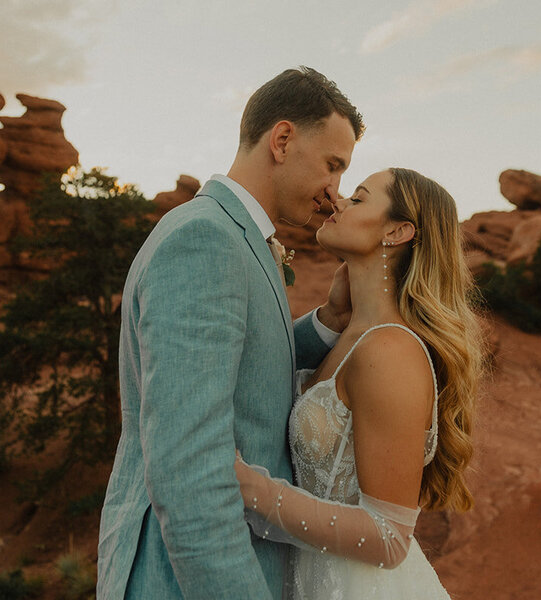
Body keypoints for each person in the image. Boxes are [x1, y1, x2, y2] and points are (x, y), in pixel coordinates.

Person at [96, 67, 364, 600]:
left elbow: (245, 366)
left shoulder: (232, 235)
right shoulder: (206, 240)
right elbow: (191, 472)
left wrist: (329, 321)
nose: (334, 191)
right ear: (282, 140)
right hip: (181, 580)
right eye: (333, 165)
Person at [234, 168, 487, 599]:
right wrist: (330, 317)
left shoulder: (389, 351)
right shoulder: (351, 334)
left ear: (397, 231)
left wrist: (252, 488)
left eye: (359, 198)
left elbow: (389, 537)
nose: (338, 201)